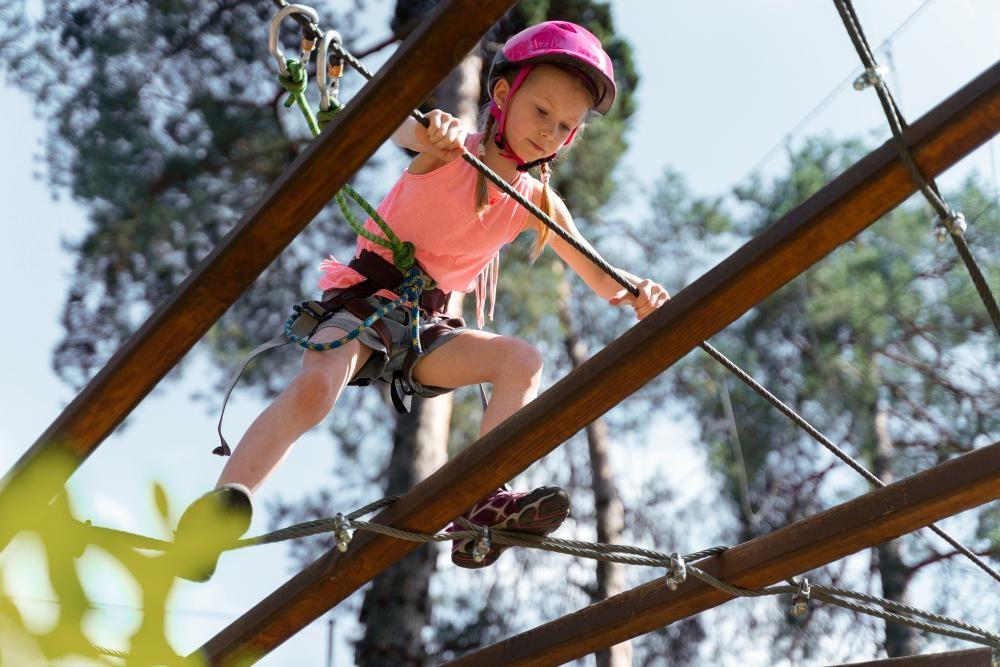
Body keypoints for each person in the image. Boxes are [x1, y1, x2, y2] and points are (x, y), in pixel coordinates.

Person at [173, 20, 669, 581]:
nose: (550, 132)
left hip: (429, 326)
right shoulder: (451, 146)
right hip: (367, 296)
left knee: (522, 361)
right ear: (504, 95)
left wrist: (640, 293)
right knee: (315, 390)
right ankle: (219, 510)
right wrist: (433, 134)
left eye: (565, 126)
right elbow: (398, 129)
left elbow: (602, 277)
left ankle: (482, 499)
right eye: (542, 112)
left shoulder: (539, 201)